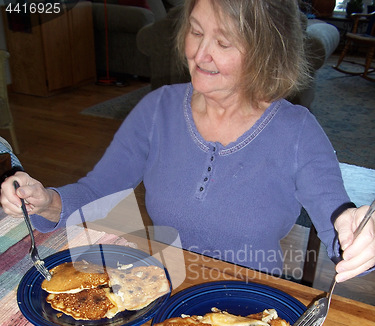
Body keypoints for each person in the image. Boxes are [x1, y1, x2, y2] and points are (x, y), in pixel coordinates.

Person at [1, 0, 374, 282]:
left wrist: (357, 231)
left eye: (223, 42)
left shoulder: (298, 132)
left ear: (267, 53)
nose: (199, 54)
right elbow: (98, 189)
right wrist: (48, 201)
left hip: (253, 306)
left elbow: (337, 221)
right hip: (165, 290)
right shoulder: (158, 110)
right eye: (196, 31)